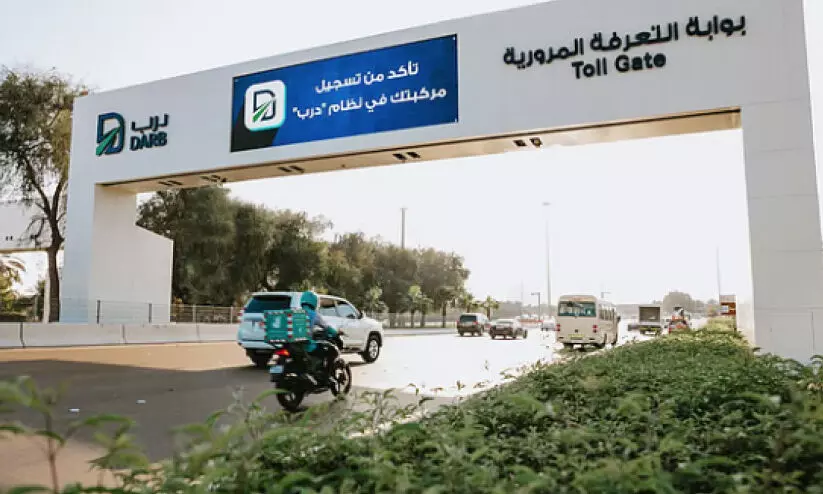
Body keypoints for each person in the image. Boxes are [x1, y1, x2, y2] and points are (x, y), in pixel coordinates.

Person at [299, 291, 341, 391]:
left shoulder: (296, 313)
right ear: (314, 302)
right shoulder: (313, 315)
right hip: (307, 346)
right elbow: (326, 327)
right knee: (331, 351)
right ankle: (326, 377)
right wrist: (336, 334)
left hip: (294, 346)